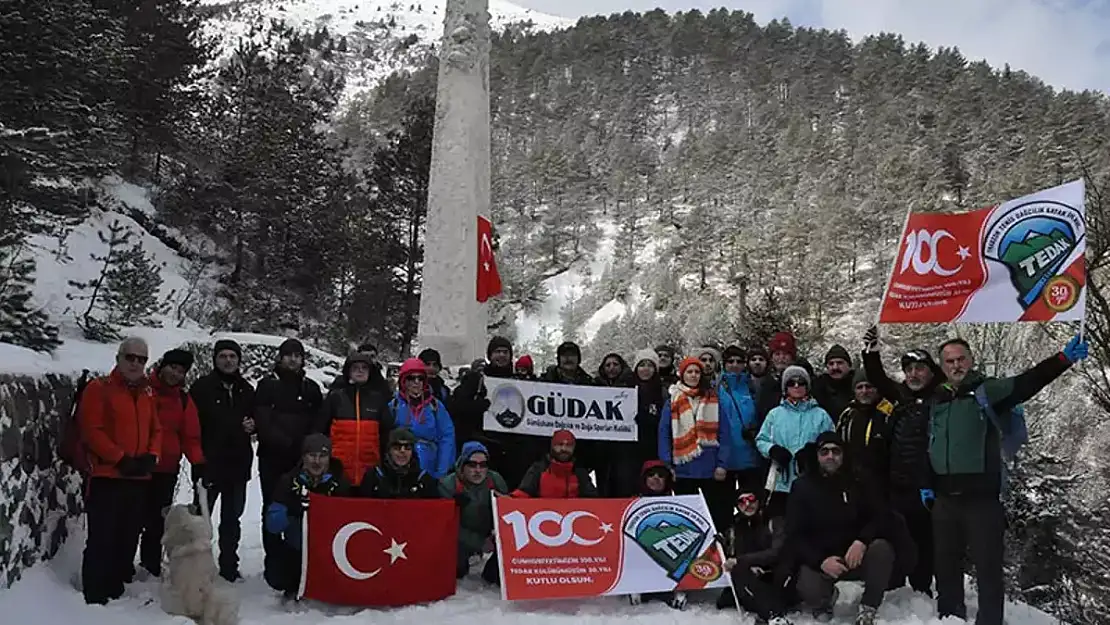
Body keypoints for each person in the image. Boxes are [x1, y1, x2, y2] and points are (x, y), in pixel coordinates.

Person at [925, 334, 1088, 625]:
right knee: (946, 564)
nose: (956, 365)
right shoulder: (936, 397)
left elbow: (1027, 382)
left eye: (961, 359)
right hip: (944, 498)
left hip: (982, 499)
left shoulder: (987, 390)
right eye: (949, 361)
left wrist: (1063, 359)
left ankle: (990, 621)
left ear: (971, 360)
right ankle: (949, 617)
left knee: (988, 567)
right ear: (942, 366)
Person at [78, 337, 162, 605]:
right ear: (119, 358)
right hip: (108, 475)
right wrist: (119, 458)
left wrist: (153, 455)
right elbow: (91, 430)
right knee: (102, 535)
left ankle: (115, 586)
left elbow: (156, 428)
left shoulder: (148, 392)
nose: (136, 363)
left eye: (142, 359)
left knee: (128, 535)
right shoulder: (99, 389)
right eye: (131, 357)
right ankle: (95, 593)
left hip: (138, 476)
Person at [861, 328, 943, 595]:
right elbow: (878, 378)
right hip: (897, 483)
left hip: (927, 485)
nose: (913, 374)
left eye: (920, 368)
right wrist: (871, 352)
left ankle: (922, 588)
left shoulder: (941, 397)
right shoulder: (901, 395)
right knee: (896, 534)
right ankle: (894, 584)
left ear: (931, 371)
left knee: (925, 539)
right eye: (909, 369)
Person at [788, 432, 895, 625]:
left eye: (836, 451)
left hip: (853, 555)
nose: (830, 456)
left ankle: (869, 606)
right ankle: (824, 602)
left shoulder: (859, 481)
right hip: (822, 560)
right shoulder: (802, 487)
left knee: (881, 549)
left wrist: (862, 541)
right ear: (817, 455)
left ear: (843, 455)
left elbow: (879, 516)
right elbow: (795, 535)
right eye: (825, 452)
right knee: (808, 587)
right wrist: (820, 561)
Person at [254, 338, 324, 591]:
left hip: (302, 460)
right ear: (280, 358)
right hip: (273, 457)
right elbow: (263, 420)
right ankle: (273, 559)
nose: (293, 359)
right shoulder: (267, 386)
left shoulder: (311, 388)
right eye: (288, 355)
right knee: (272, 507)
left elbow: (318, 422)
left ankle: (298, 558)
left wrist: (307, 448)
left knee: (301, 507)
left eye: (297, 355)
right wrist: (284, 443)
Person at [130, 349, 206, 579]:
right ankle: (122, 563)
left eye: (181, 371)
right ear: (162, 366)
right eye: (172, 367)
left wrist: (198, 462)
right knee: (132, 517)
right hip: (138, 465)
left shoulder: (183, 400)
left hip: (167, 467)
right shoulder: (143, 390)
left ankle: (150, 565)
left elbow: (190, 436)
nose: (175, 373)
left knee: (157, 520)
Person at [189, 338, 255, 581]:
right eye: (223, 356)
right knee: (201, 521)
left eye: (232, 356)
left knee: (232, 520)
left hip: (238, 465)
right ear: (215, 359)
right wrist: (197, 460)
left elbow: (256, 419)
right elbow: (191, 426)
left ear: (239, 360)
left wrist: (253, 425)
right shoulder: (201, 388)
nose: (228, 361)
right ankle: (197, 566)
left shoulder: (247, 390)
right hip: (209, 465)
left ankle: (229, 566)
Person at [263, 434, 350, 601]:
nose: (316, 461)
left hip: (330, 550)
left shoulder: (340, 482)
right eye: (312, 455)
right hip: (298, 547)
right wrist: (291, 510)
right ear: (303, 457)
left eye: (322, 456)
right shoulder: (288, 481)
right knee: (276, 574)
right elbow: (273, 526)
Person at [450, 337, 541, 487]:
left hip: (512, 451)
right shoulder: (477, 379)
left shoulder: (519, 381)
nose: (502, 355)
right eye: (497, 352)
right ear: (490, 356)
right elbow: (456, 407)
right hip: (485, 447)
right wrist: (476, 407)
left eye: (505, 352)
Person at [658, 357, 733, 533]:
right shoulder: (673, 401)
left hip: (710, 468)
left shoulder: (712, 399)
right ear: (682, 374)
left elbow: (725, 433)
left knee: (713, 516)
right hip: (683, 467)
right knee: (686, 518)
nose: (693, 375)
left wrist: (722, 464)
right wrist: (667, 464)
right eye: (689, 372)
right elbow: (664, 434)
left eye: (697, 372)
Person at [755, 365, 834, 518]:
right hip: (781, 482)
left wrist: (812, 453)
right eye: (792, 383)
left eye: (801, 382)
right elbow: (761, 439)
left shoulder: (821, 415)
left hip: (811, 480)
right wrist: (772, 450)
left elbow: (831, 440)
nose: (796, 386)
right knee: (781, 528)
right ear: (785, 388)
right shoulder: (775, 414)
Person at [717, 490, 793, 625]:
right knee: (737, 572)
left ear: (758, 501)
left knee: (785, 566)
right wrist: (722, 545)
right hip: (754, 579)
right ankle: (768, 611)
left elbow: (776, 553)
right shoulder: (737, 525)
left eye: (751, 499)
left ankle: (773, 614)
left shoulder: (774, 521)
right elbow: (735, 556)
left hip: (777, 577)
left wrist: (745, 561)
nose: (747, 505)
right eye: (742, 501)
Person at [317, 351, 393, 486]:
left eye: (364, 368)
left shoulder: (378, 399)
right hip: (338, 470)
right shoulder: (335, 397)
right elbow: (320, 430)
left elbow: (386, 434)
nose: (360, 371)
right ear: (348, 372)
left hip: (370, 471)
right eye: (355, 368)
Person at [439, 441, 507, 583]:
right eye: (472, 465)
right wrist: (479, 543)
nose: (478, 470)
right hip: (458, 539)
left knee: (497, 577)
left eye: (483, 465)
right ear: (463, 465)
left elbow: (508, 516)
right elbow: (445, 527)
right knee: (456, 570)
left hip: (488, 536)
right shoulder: (447, 486)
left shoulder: (496, 480)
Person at [630, 461, 688, 610]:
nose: (656, 478)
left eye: (661, 475)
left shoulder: (680, 503)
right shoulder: (630, 503)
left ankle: (679, 588)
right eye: (651, 475)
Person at [387, 358, 455, 479]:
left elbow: (447, 438)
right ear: (403, 381)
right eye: (411, 378)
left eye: (420, 378)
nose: (416, 382)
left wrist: (442, 471)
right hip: (399, 470)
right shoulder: (394, 406)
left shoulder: (435, 406)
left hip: (430, 468)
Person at [718, 345, 765, 495]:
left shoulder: (753, 386)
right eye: (731, 361)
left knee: (751, 502)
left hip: (750, 456)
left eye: (739, 361)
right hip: (725, 458)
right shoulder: (716, 388)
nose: (735, 365)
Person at [834, 368, 893, 484]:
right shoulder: (847, 415)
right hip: (852, 480)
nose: (864, 391)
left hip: (882, 482)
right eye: (859, 387)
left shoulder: (889, 414)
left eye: (869, 386)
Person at [593, 352, 636, 497]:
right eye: (608, 365)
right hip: (602, 450)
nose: (611, 368)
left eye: (615, 364)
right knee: (604, 488)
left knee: (624, 487)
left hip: (626, 449)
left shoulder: (632, 385)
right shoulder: (594, 386)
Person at [512, 429, 598, 498]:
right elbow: (523, 493)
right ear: (552, 446)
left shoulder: (580, 472)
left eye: (569, 445)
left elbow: (593, 500)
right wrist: (507, 499)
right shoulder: (539, 468)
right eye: (560, 444)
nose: (564, 449)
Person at [359, 428, 441, 498]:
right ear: (389, 451)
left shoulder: (424, 479)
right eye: (397, 447)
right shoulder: (374, 477)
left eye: (407, 448)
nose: (402, 451)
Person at [631, 350, 666, 476]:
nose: (645, 369)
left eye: (650, 365)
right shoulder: (625, 390)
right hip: (630, 451)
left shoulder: (662, 392)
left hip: (654, 449)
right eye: (642, 365)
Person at [812, 345, 855, 421]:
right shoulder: (818, 388)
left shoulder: (858, 386)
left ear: (849, 365)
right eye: (831, 364)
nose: (835, 367)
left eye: (840, 363)